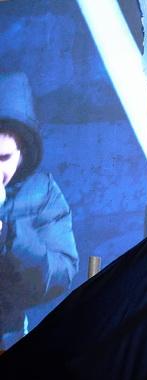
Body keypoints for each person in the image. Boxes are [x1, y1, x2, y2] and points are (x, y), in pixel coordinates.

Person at [0, 72, 78, 350]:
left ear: (22, 152)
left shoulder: (42, 193)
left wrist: (10, 237)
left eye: (4, 157)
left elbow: (61, 274)